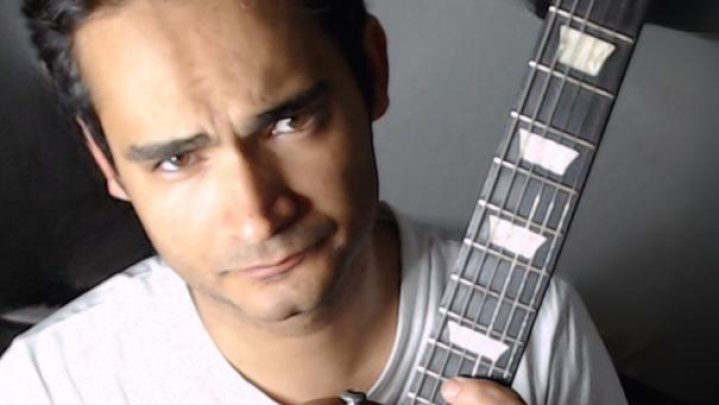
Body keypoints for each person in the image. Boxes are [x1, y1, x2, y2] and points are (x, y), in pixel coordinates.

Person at [0, 0, 628, 404]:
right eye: (176, 159)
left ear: (371, 72)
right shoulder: (50, 384)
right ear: (105, 159)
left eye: (289, 121)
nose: (256, 218)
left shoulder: (542, 327)